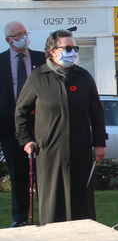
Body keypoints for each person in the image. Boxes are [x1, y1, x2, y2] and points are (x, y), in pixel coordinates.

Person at [15, 29, 106, 225]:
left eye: (75, 48)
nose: (72, 52)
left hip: (80, 150)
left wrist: (100, 143)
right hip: (49, 152)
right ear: (52, 51)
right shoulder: (38, 78)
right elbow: (21, 112)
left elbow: (96, 113)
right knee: (52, 202)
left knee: (81, 201)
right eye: (67, 48)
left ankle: (84, 238)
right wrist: (26, 140)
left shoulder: (83, 77)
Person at [1, 22, 44, 227]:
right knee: (18, 175)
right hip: (10, 130)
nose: (23, 37)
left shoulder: (41, 59)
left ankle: (47, 215)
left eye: (25, 33)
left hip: (41, 127)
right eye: (18, 35)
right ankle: (19, 219)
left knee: (43, 174)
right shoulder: (1, 62)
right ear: (8, 40)